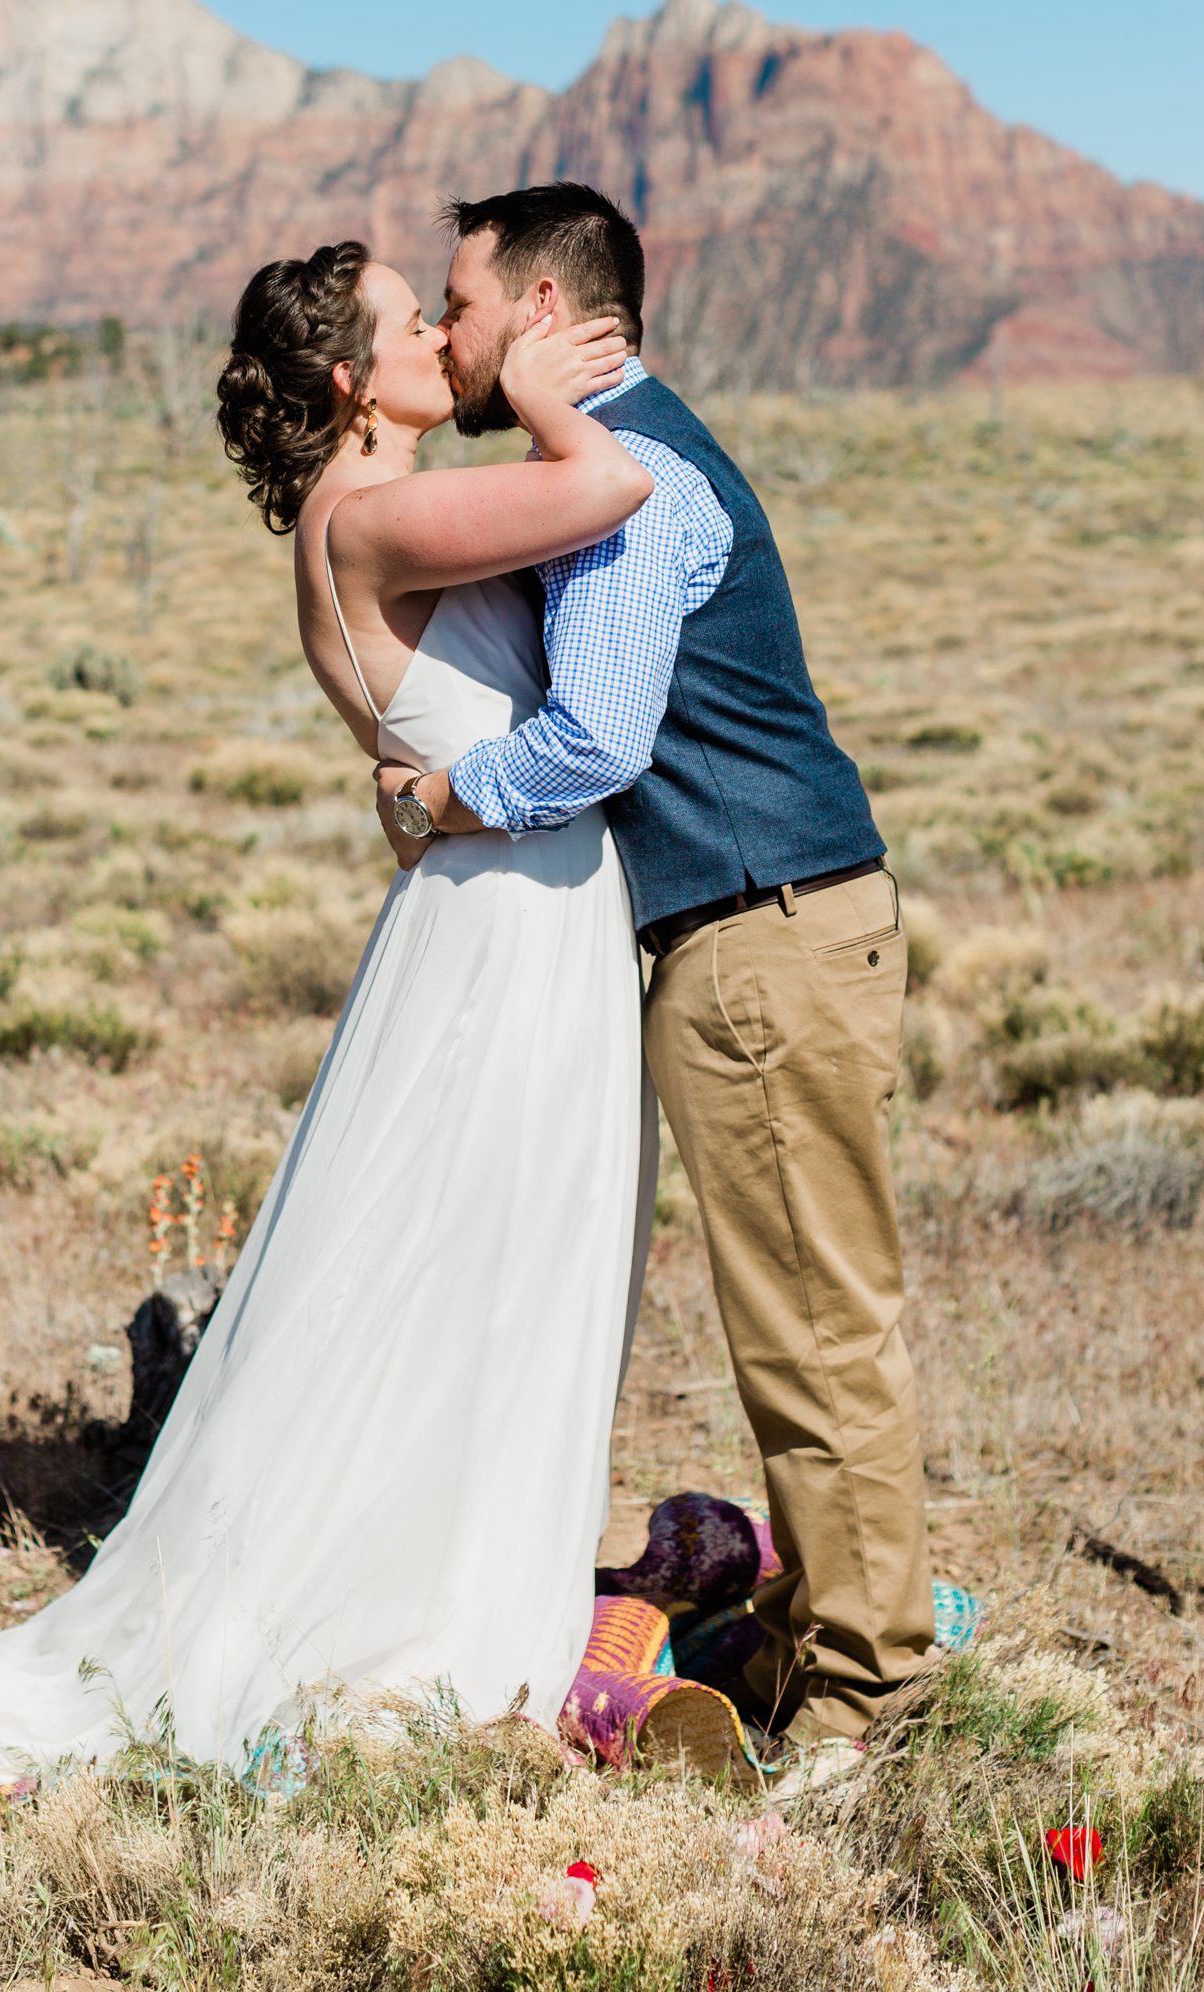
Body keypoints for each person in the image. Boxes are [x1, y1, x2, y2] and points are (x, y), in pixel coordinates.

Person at [0, 243, 659, 1903]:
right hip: (500, 937)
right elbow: (607, 486)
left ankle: (457, 1599)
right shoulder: (380, 516)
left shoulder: (361, 517)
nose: (439, 343)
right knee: (471, 1273)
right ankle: (437, 1627)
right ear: (350, 381)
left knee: (465, 1279)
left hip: (501, 911)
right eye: (415, 327)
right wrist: (550, 388)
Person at [374, 183, 934, 1788]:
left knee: (814, 1331)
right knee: (809, 1316)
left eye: (466, 307)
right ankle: (833, 1620)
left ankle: (868, 1694)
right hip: (774, 925)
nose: (452, 338)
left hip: (762, 933)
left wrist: (436, 802)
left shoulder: (631, 481)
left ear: (545, 311)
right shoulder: (605, 461)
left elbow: (601, 742)